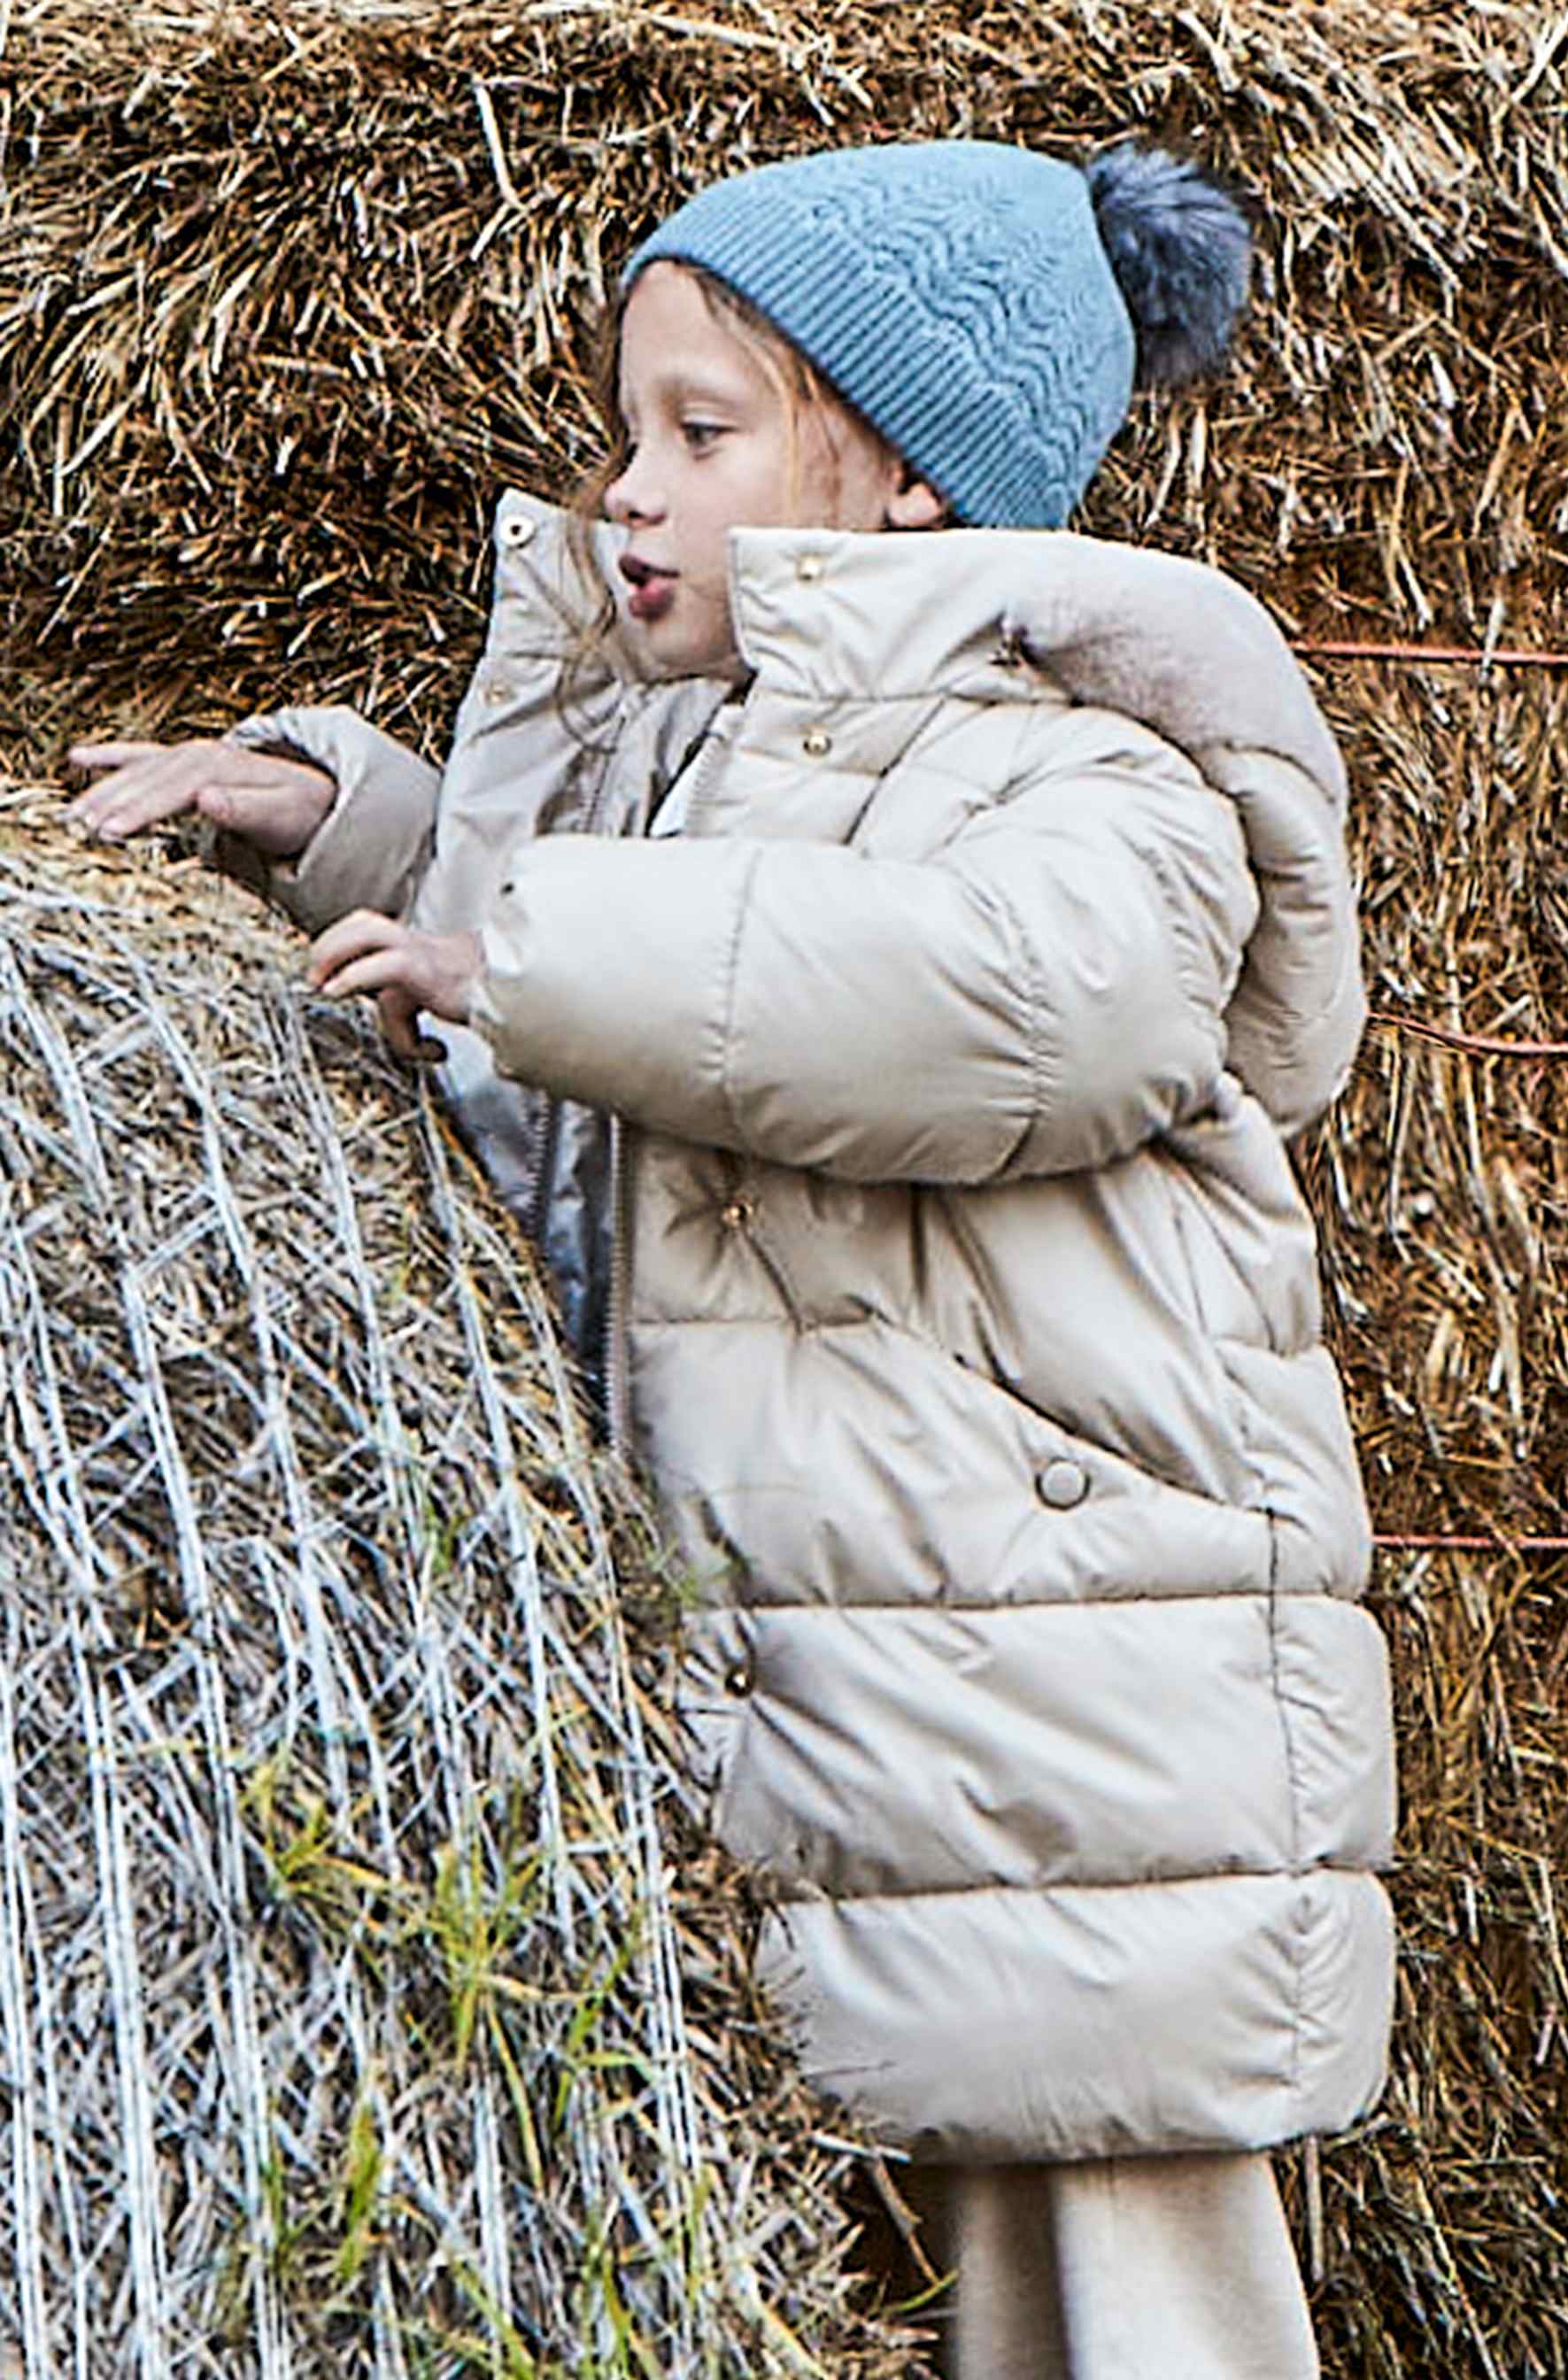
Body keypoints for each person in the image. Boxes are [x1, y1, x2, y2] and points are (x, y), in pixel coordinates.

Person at [68, 137, 1395, 2377]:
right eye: (625, 430)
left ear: (903, 479)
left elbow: (967, 999)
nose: (626, 492)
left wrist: (523, 955)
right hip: (860, 1754)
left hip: (1069, 1778)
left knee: (1113, 2300)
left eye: (703, 432)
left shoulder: (1096, 781)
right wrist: (372, 841)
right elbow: (645, 1034)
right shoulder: (715, 781)